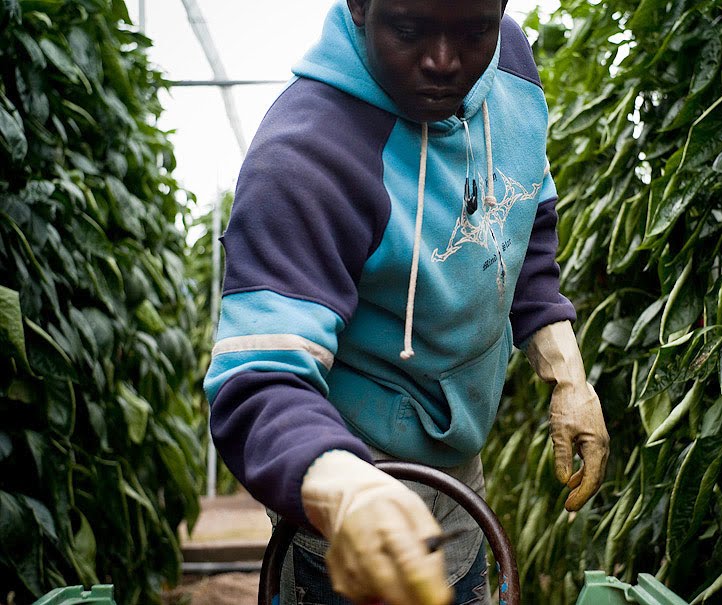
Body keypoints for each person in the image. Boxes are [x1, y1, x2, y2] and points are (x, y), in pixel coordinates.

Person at [204, 0, 610, 603]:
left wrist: (567, 374)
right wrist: (350, 495)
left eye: (474, 30)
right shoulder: (307, 156)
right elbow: (258, 380)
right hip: (349, 470)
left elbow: (520, 215)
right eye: (409, 29)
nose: (444, 61)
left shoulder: (509, 67)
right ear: (360, 5)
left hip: (458, 463)